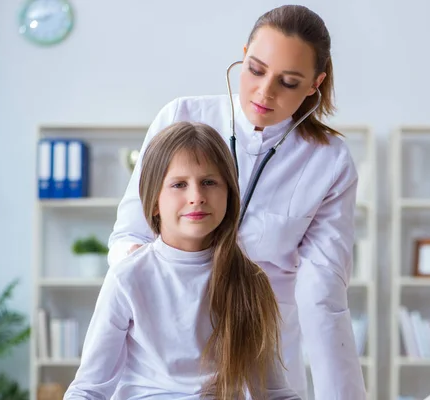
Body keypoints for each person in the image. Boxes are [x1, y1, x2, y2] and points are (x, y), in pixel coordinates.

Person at [108, 5, 366, 399]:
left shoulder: (328, 160)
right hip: (163, 356)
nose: (265, 92)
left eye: (289, 82)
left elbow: (322, 295)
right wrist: (156, 298)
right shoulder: (182, 116)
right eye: (256, 70)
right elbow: (130, 236)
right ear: (243, 54)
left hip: (262, 350)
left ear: (315, 83)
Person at [65, 122, 300, 400]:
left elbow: (274, 392)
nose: (196, 197)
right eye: (179, 184)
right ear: (154, 202)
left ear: (229, 194)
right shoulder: (127, 278)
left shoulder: (251, 282)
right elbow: (88, 390)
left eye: (209, 182)